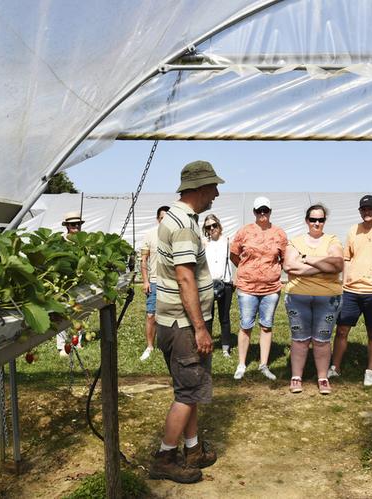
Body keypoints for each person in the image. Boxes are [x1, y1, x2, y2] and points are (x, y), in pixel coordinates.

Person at [149, 160, 223, 484]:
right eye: (214, 187)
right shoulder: (182, 224)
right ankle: (165, 456)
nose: (217, 193)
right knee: (186, 391)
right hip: (183, 325)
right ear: (199, 188)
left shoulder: (183, 219)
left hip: (177, 322)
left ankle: (192, 449)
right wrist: (200, 327)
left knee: (190, 389)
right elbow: (184, 278)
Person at [329, 195, 372, 386]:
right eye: (363, 209)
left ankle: (370, 370)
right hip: (351, 290)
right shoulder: (353, 230)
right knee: (341, 329)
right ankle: (335, 367)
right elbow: (347, 258)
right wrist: (344, 283)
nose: (366, 212)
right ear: (360, 211)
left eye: (370, 209)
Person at [282, 204, 343, 395]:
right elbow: (289, 266)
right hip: (298, 297)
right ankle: (296, 377)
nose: (317, 223)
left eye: (321, 220)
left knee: (322, 340)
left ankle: (323, 378)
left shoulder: (332, 240)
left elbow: (338, 264)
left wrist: (307, 259)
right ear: (307, 221)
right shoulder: (295, 241)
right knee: (299, 339)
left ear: (325, 221)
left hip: (328, 298)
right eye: (313, 219)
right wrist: (323, 264)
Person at [230, 196, 287, 381]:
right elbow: (234, 254)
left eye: (265, 210)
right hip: (247, 287)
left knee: (266, 325)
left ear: (270, 212)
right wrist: (247, 269)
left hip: (271, 289)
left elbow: (285, 258)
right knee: (246, 325)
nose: (262, 214)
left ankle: (263, 364)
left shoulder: (279, 233)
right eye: (258, 211)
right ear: (254, 212)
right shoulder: (244, 231)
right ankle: (241, 364)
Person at [139, 205, 170, 361]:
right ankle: (150, 346)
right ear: (158, 219)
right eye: (162, 218)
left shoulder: (175, 234)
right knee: (151, 315)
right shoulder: (150, 235)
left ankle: (170, 344)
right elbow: (144, 260)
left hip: (171, 282)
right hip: (155, 281)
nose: (165, 221)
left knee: (172, 315)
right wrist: (145, 281)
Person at [203, 214, 234, 357]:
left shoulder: (228, 241)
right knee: (208, 316)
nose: (212, 228)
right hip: (208, 284)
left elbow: (237, 260)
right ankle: (207, 345)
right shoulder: (204, 244)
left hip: (225, 283)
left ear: (219, 225)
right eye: (208, 226)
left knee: (224, 317)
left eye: (214, 225)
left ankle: (225, 347)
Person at [56, 211, 85, 356]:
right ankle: (62, 345)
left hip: (79, 280)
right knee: (63, 312)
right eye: (73, 224)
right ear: (67, 225)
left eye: (78, 224)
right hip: (63, 281)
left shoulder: (84, 240)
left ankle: (77, 341)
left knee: (79, 311)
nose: (76, 227)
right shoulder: (60, 240)